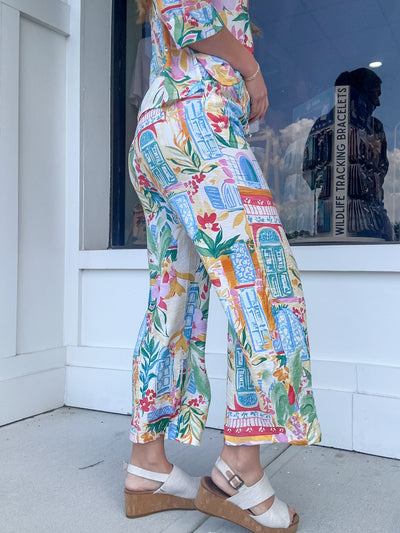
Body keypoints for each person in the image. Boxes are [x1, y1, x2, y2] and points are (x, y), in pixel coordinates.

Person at [126, 1, 321, 531]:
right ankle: (240, 467)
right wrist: (252, 72)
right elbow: (187, 16)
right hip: (198, 122)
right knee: (265, 283)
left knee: (173, 298)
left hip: (160, 129)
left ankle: (147, 464)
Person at [303, 68, 393, 241]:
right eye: (374, 94)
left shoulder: (376, 128)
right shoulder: (324, 126)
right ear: (360, 95)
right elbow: (310, 175)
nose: (378, 103)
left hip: (373, 220)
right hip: (333, 219)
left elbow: (382, 171)